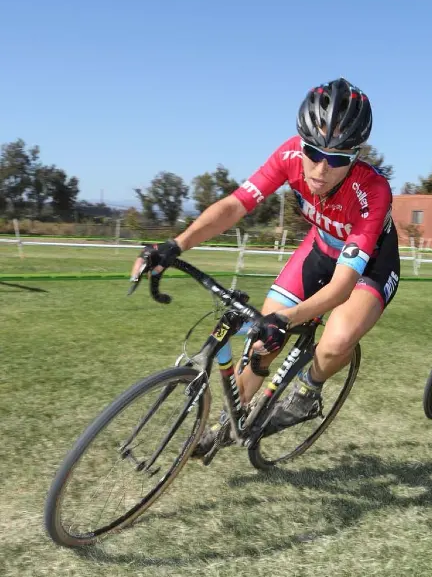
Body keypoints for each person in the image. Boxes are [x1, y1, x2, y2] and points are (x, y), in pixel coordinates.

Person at [131, 78, 400, 453]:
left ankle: (309, 392)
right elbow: (235, 205)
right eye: (313, 152)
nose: (321, 169)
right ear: (300, 144)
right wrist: (177, 244)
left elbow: (341, 287)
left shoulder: (372, 191)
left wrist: (287, 320)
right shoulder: (289, 157)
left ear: (355, 155)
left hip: (368, 265)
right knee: (261, 342)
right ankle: (229, 422)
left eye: (337, 158)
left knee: (335, 341)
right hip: (320, 248)